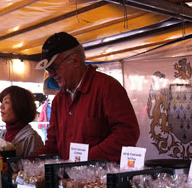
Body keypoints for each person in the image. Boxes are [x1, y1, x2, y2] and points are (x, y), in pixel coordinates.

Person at [33, 32, 140, 161]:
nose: (51, 75)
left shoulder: (107, 87)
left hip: (102, 178)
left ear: (76, 60)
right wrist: (27, 161)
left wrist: (85, 158)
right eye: (48, 70)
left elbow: (127, 133)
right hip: (70, 178)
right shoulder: (58, 101)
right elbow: (53, 144)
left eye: (54, 68)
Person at [0, 86, 44, 157]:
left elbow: (35, 167)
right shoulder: (2, 135)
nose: (1, 106)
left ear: (20, 106)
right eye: (2, 102)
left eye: (6, 102)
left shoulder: (31, 138)